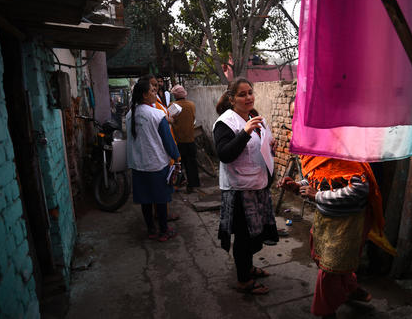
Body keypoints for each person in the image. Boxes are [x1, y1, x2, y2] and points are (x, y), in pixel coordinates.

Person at [278, 156, 396, 318]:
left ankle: (327, 312)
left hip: (347, 222)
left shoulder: (349, 157)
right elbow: (316, 179)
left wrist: (318, 196)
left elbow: (359, 190)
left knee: (330, 268)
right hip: (324, 217)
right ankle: (350, 287)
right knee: (326, 260)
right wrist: (298, 186)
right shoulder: (316, 154)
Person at [213, 77, 279, 295]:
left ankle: (248, 267)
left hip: (257, 183)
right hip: (239, 189)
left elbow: (258, 148)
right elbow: (225, 154)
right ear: (232, 99)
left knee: (254, 233)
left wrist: (270, 146)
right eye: (242, 94)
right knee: (243, 236)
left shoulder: (255, 117)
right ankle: (243, 281)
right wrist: (245, 132)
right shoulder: (225, 123)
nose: (248, 97)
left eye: (250, 92)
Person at [126, 78, 180, 242]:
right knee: (161, 199)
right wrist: (176, 157)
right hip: (157, 164)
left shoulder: (130, 115)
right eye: (152, 91)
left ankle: (151, 229)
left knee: (146, 200)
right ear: (144, 95)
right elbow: (168, 141)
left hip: (138, 165)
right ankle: (164, 231)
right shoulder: (157, 114)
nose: (155, 94)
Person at [170, 84, 200, 192]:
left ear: (175, 95)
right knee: (191, 164)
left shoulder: (172, 105)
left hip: (178, 140)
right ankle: (192, 185)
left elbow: (170, 121)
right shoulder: (191, 105)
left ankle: (177, 184)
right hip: (190, 139)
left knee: (178, 164)